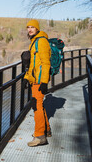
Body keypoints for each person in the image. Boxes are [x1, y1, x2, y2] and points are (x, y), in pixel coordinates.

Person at [24, 19, 52, 147]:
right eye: (28, 27)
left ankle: (40, 136)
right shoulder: (34, 41)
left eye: (32, 27)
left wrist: (44, 82)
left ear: (37, 29)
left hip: (40, 80)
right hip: (35, 79)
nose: (30, 29)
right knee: (39, 104)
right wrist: (26, 78)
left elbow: (46, 63)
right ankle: (46, 130)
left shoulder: (41, 41)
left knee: (36, 105)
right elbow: (32, 64)